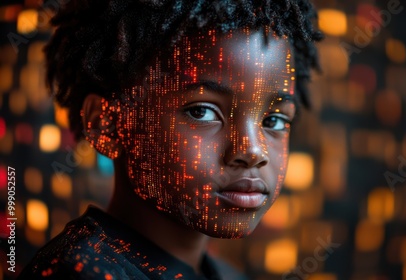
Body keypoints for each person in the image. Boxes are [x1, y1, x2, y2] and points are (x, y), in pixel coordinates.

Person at [19, 0, 322, 278]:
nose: (253, 151)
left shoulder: (226, 274)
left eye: (274, 120)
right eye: (202, 112)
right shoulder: (78, 273)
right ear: (107, 124)